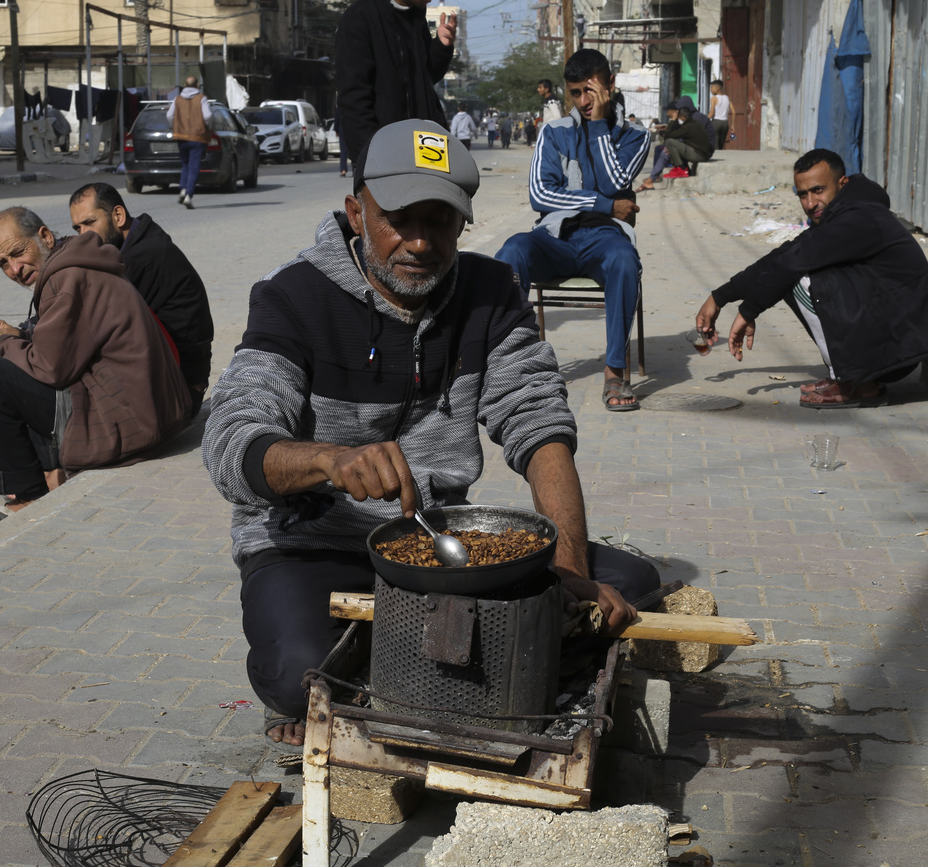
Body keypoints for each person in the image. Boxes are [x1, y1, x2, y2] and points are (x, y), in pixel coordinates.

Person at [202, 119, 660, 746]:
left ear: (463, 224)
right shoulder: (292, 297)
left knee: (626, 587)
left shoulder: (490, 291)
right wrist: (329, 461)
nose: (419, 243)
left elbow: (539, 423)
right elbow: (234, 438)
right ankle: (394, 662)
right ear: (355, 210)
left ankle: (419, 657)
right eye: (399, 218)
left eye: (439, 221)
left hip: (436, 546)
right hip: (311, 545)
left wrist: (567, 570)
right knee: (295, 675)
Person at [0, 207, 191, 532]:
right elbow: (71, 341)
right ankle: (40, 479)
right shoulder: (74, 263)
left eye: (18, 253)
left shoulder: (65, 278)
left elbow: (52, 368)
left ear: (43, 236)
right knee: (11, 358)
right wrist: (18, 336)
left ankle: (28, 496)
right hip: (154, 411)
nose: (14, 269)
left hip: (132, 423)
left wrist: (0, 346)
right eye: (3, 263)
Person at [694, 149, 928, 408]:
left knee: (800, 276)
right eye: (803, 194)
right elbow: (784, 254)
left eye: (818, 190)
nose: (811, 203)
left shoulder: (859, 216)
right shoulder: (841, 213)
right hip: (893, 343)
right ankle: (852, 376)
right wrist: (720, 297)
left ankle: (857, 384)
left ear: (842, 183)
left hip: (901, 348)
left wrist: (748, 311)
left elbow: (792, 263)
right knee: (793, 264)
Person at [494, 49, 649, 412]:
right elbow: (540, 195)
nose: (582, 102)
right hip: (556, 238)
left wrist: (598, 127)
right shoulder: (554, 131)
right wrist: (606, 205)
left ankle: (614, 371)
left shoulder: (635, 136)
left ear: (610, 85)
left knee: (625, 260)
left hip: (605, 240)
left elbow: (617, 180)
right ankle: (505, 362)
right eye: (575, 93)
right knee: (514, 249)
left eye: (589, 92)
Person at [68, 182, 215, 414]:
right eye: (77, 228)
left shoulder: (141, 257)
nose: (83, 236)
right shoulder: (137, 242)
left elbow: (86, 322)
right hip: (168, 384)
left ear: (118, 215)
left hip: (178, 395)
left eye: (90, 223)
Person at [335, 0, 457, 162]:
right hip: (385, 152)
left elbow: (425, 77)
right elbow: (353, 97)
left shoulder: (415, 18)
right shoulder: (360, 17)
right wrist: (370, 156)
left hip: (428, 147)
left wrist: (441, 46)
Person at [165, 75, 214, 210]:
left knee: (185, 164)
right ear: (197, 85)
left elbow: (169, 115)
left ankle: (182, 188)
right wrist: (207, 126)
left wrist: (174, 126)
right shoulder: (201, 98)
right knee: (194, 167)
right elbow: (208, 115)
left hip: (181, 137)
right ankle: (188, 195)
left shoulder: (177, 99)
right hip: (197, 137)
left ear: (185, 86)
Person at [637, 104, 711, 190]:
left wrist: (673, 120)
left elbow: (668, 136)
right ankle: (652, 178)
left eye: (678, 117)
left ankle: (681, 169)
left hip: (699, 155)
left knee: (669, 143)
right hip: (700, 153)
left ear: (682, 118)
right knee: (666, 148)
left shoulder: (687, 127)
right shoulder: (693, 123)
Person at [709, 80, 730, 150]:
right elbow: (732, 111)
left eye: (712, 87)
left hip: (716, 122)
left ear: (717, 88)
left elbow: (711, 113)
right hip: (725, 123)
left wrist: (704, 119)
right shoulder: (727, 97)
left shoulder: (714, 98)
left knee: (715, 144)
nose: (710, 90)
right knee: (721, 144)